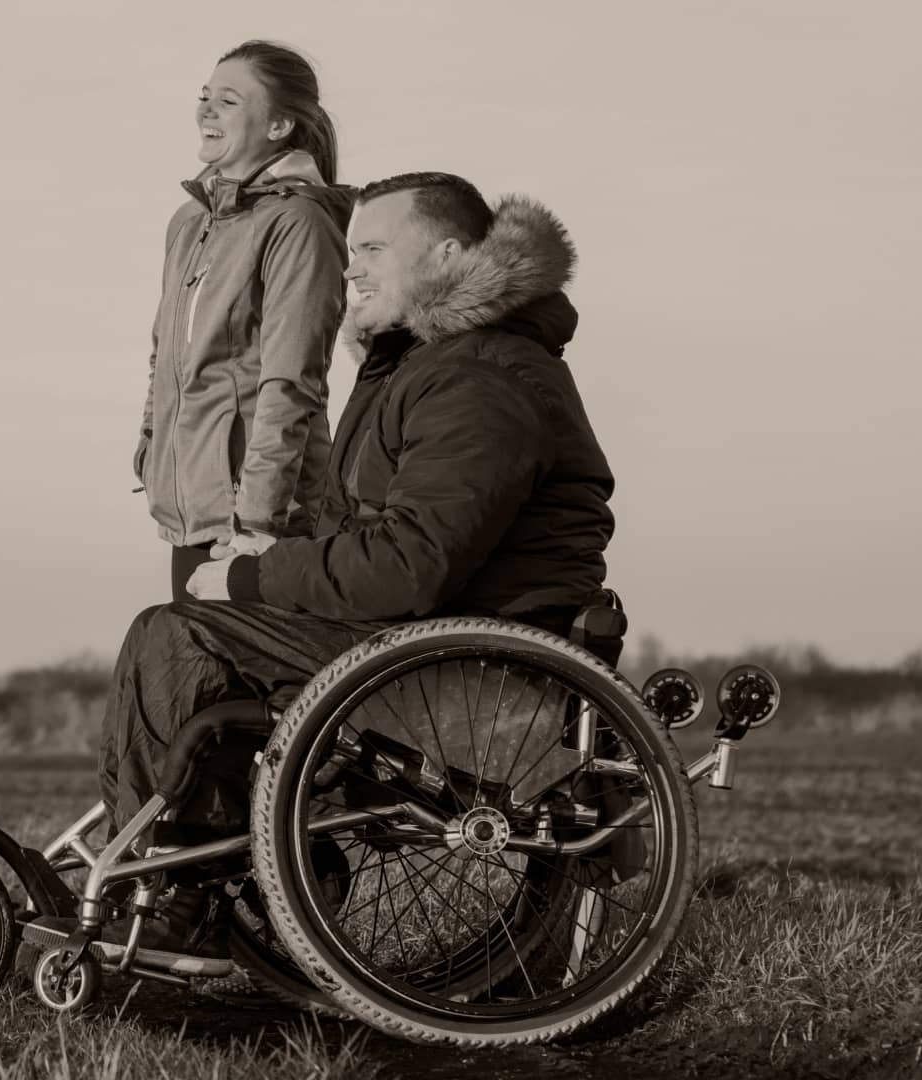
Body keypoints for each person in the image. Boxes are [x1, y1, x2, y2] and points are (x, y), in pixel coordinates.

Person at [101, 171, 615, 951]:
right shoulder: (430, 366)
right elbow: (386, 536)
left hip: (466, 677)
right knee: (210, 635)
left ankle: (169, 898)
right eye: (348, 256)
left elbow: (410, 565)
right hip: (434, 651)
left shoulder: (479, 378)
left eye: (372, 249)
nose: (352, 272)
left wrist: (250, 575)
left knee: (180, 636)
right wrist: (279, 554)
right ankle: (258, 874)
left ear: (448, 255)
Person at [135, 41, 356, 602]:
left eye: (228, 101)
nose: (205, 110)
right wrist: (151, 447)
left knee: (265, 690)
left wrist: (256, 523)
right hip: (190, 515)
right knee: (191, 686)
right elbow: (167, 354)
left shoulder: (298, 222)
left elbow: (291, 382)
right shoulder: (189, 222)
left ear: (280, 124)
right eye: (205, 97)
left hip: (258, 525)